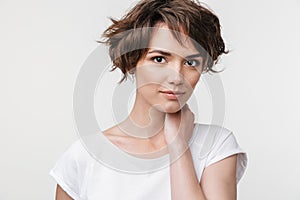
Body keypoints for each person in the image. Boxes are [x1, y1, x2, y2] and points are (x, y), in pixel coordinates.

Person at [50, 0, 247, 199]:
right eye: (159, 59)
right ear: (133, 61)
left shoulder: (216, 146)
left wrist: (178, 146)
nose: (177, 77)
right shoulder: (84, 157)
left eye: (190, 62)